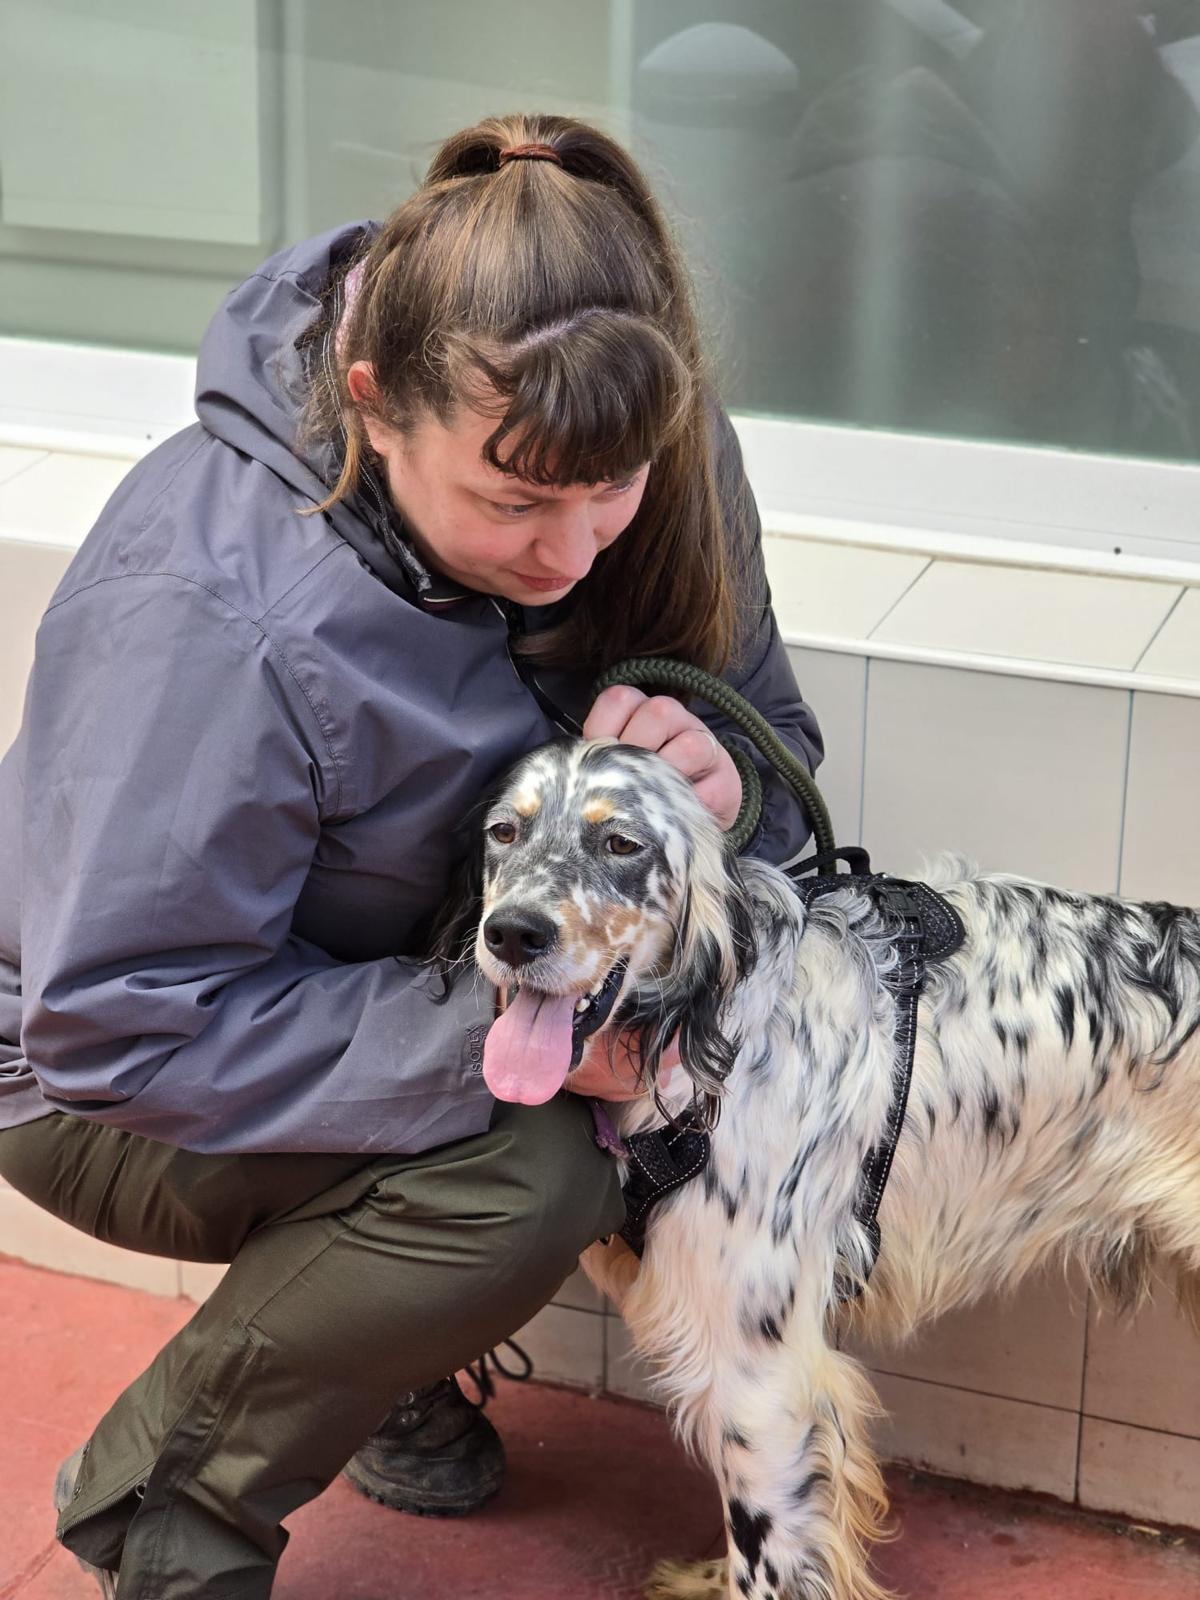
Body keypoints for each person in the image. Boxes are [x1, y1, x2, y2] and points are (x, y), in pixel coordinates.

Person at [0, 112, 823, 1598]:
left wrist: (731, 772)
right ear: (375, 405)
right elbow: (118, 1020)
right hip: (88, 1065)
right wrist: (505, 1044)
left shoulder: (622, 415)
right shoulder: (210, 609)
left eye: (615, 491)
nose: (576, 551)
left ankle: (379, 1338)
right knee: (530, 1170)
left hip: (385, 977)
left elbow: (775, 740)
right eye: (514, 503)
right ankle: (170, 1522)